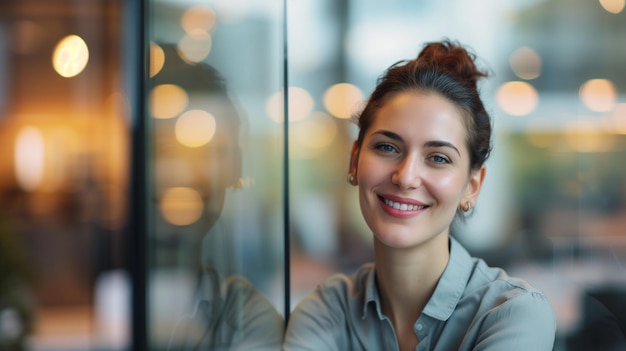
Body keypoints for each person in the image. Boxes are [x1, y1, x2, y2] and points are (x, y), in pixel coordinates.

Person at [283, 39, 556, 351]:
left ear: (472, 186)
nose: (406, 177)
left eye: (438, 158)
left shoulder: (511, 314)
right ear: (355, 159)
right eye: (387, 147)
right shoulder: (327, 310)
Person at [151, 44, 284, 350]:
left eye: (215, 152)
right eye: (167, 151)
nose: (188, 174)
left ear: (236, 170)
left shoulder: (239, 311)